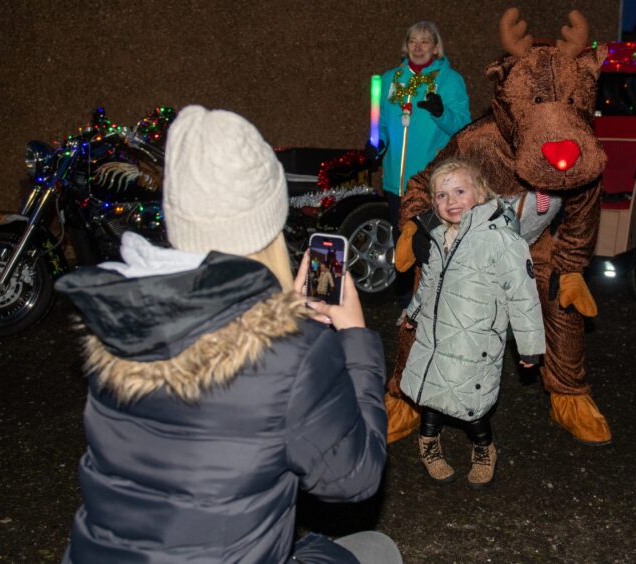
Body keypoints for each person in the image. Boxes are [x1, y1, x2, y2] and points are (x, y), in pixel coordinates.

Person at [56, 106, 401, 563]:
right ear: (268, 223)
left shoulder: (122, 317)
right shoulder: (291, 354)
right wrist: (354, 337)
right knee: (375, 550)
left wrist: (285, 322)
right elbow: (355, 477)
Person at [400, 159, 545, 488]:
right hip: (435, 337)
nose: (450, 202)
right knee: (431, 397)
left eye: (459, 191)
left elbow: (523, 296)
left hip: (474, 342)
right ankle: (429, 446)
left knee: (472, 405)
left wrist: (531, 347)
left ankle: (484, 449)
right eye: (441, 195)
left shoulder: (501, 241)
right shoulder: (438, 236)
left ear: (480, 194)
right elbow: (429, 283)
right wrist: (413, 312)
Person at [367, 20, 472, 319]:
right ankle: (406, 308)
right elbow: (384, 125)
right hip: (395, 184)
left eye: (426, 41)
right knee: (403, 245)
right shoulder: (390, 80)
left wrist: (441, 112)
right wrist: (378, 143)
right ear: (405, 45)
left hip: (431, 183)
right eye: (413, 40)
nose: (419, 46)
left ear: (436, 47)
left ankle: (437, 307)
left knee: (429, 247)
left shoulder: (449, 80)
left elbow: (463, 126)